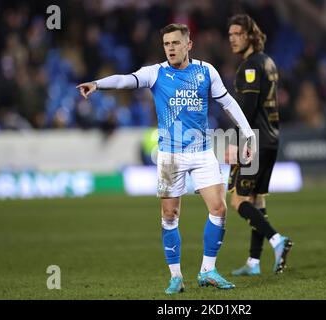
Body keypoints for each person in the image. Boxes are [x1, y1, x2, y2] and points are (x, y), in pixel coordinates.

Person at [77, 23, 256, 294]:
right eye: (166, 44)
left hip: (202, 151)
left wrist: (248, 134)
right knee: (169, 215)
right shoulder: (156, 73)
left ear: (188, 45)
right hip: (170, 155)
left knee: (219, 209)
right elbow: (125, 79)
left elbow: (228, 102)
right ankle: (176, 276)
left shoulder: (206, 71)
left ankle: (208, 270)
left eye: (175, 43)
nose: (170, 48)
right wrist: (97, 85)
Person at [226, 14, 292, 276]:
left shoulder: (250, 67)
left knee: (238, 201)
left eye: (237, 34)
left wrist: (234, 143)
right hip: (271, 139)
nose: (232, 39)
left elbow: (247, 111)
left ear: (250, 35)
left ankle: (278, 240)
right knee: (258, 199)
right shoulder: (268, 62)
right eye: (230, 35)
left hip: (255, 142)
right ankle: (254, 262)